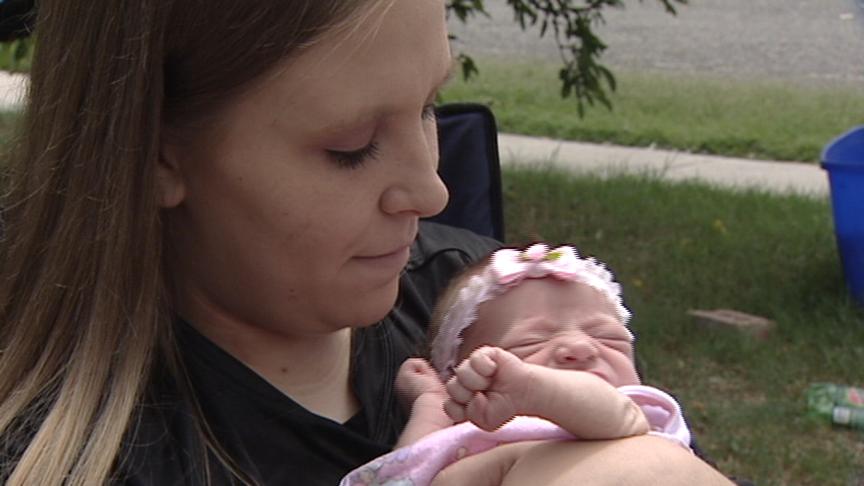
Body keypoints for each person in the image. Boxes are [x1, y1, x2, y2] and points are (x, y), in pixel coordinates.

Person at [0, 1, 735, 485]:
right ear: (158, 153)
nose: (431, 191)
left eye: (429, 106)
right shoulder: (92, 457)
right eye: (351, 146)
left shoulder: (479, 297)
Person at [341, 243, 704, 486]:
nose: (579, 347)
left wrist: (534, 389)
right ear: (462, 380)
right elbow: (408, 470)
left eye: (609, 338)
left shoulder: (637, 420)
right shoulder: (465, 433)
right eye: (531, 342)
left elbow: (618, 416)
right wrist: (433, 408)